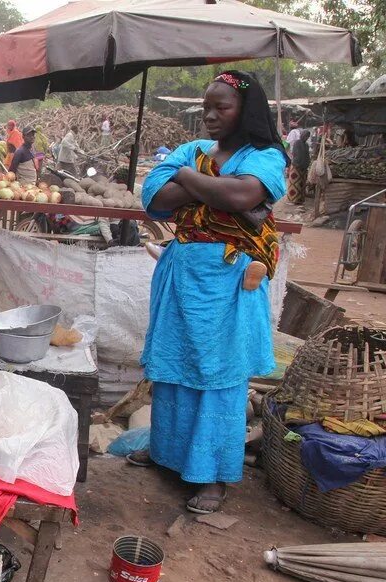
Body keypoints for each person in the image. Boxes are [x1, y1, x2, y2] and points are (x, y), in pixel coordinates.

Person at [133, 70, 288, 514]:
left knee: (220, 376)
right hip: (182, 275)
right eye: (206, 107)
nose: (211, 116)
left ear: (246, 110)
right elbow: (155, 197)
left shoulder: (266, 156)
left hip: (229, 281)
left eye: (222, 107)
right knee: (174, 366)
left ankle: (213, 476)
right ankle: (167, 454)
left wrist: (185, 177)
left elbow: (242, 195)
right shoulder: (195, 151)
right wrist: (208, 188)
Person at [288, 129, 311, 204]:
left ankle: (300, 200)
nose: (306, 138)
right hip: (296, 167)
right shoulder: (297, 143)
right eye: (306, 136)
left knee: (302, 185)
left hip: (303, 167)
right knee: (295, 185)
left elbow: (307, 155)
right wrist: (299, 164)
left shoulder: (306, 145)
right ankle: (293, 200)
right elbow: (296, 155)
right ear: (302, 135)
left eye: (307, 137)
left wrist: (307, 164)